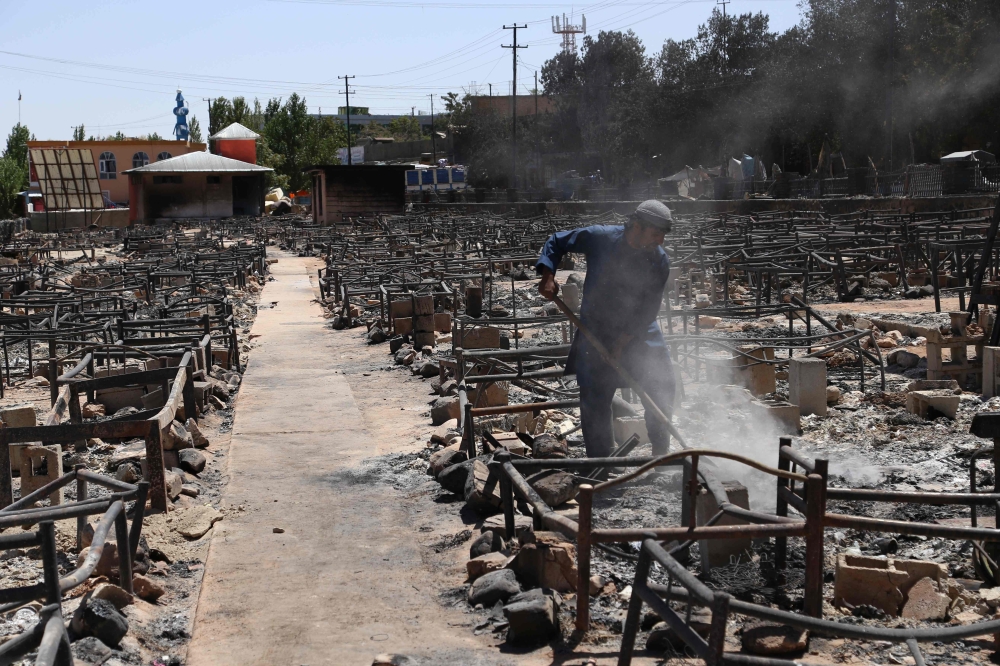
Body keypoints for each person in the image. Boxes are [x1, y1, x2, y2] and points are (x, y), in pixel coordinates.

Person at [535, 200, 676, 459]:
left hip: (639, 330)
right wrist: (548, 275)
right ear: (637, 226)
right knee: (595, 396)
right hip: (597, 329)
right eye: (656, 233)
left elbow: (648, 309)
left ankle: (660, 455)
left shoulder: (659, 260)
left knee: (662, 384)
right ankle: (602, 463)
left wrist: (621, 345)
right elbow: (557, 240)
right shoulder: (601, 237)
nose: (660, 241)